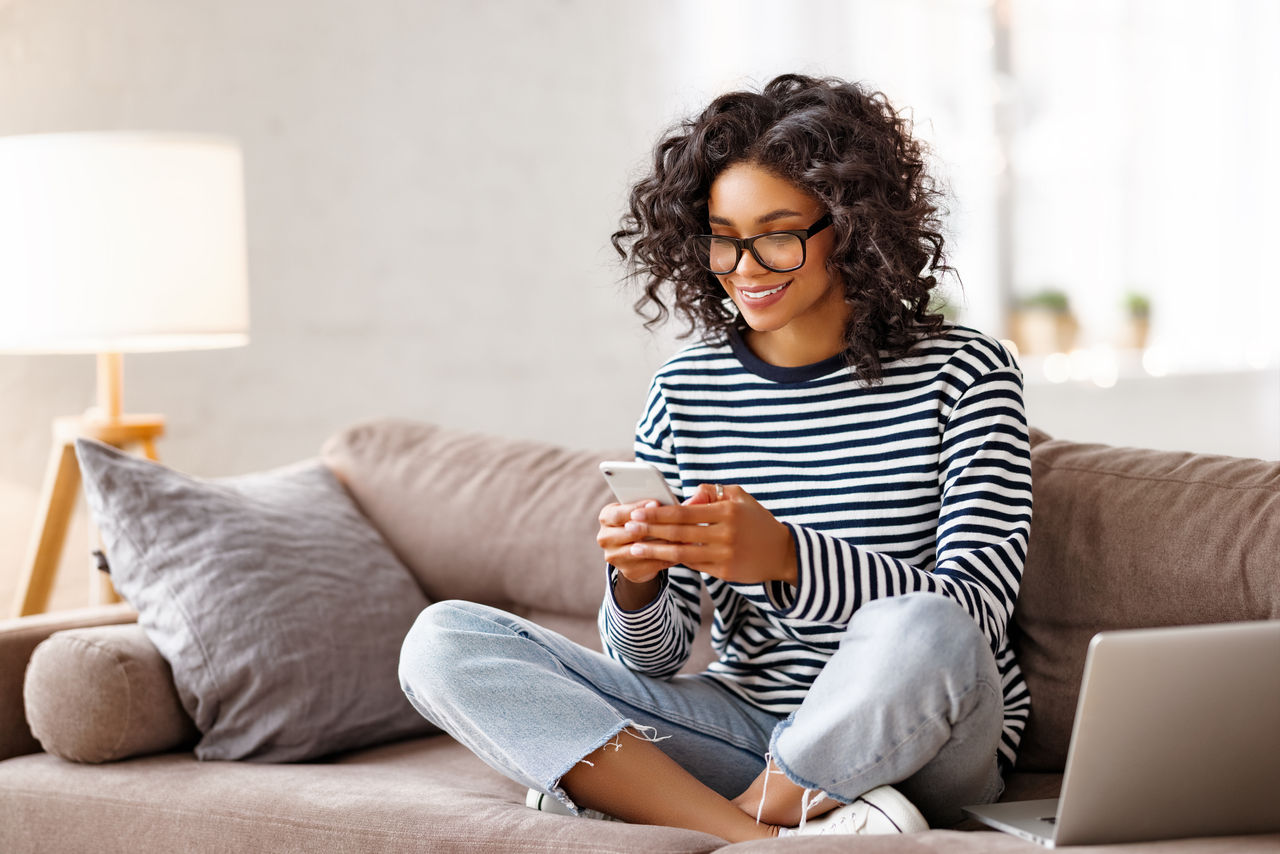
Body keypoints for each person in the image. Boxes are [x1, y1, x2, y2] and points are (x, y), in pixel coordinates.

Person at [398, 73, 1032, 842]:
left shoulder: (965, 373)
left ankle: (704, 812)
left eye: (776, 232)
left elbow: (973, 611)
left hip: (927, 739)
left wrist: (787, 556)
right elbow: (657, 661)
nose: (745, 265)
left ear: (852, 226)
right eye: (722, 236)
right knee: (444, 642)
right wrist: (637, 584)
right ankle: (766, 837)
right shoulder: (685, 388)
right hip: (745, 727)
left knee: (924, 624)